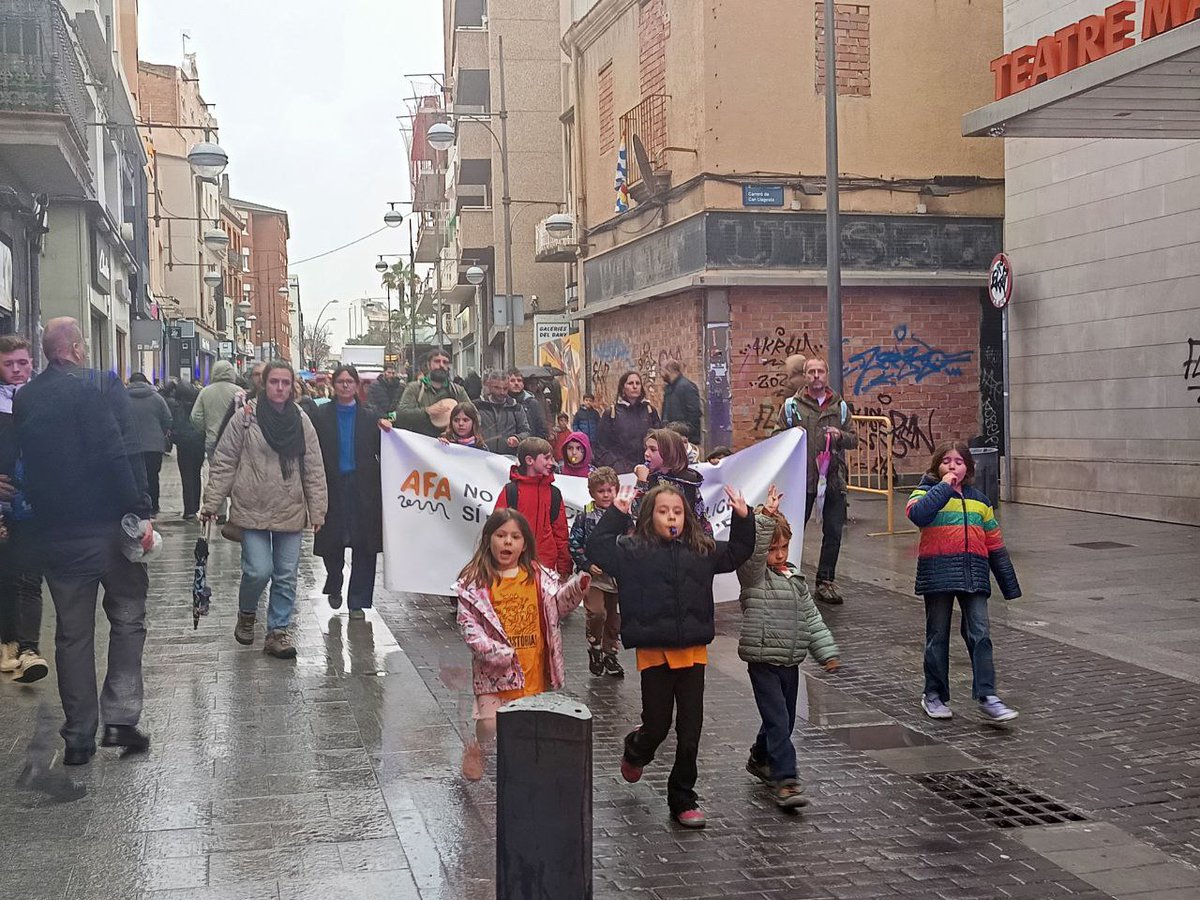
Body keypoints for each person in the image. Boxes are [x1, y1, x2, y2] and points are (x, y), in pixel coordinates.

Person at [14, 318, 153, 764]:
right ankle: (121, 720)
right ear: (75, 348)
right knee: (128, 618)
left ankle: (78, 737)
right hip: (107, 531)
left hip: (56, 535)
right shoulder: (98, 386)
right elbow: (120, 450)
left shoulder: (27, 396)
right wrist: (140, 511)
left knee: (72, 636)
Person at [587, 482, 755, 828]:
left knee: (690, 728)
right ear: (650, 516)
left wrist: (743, 516)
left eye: (677, 511)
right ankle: (637, 748)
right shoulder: (633, 550)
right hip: (655, 652)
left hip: (692, 651)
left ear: (687, 516)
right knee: (658, 725)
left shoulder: (701, 549)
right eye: (663, 511)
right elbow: (598, 548)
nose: (671, 517)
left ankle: (683, 796)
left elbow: (738, 550)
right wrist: (617, 514)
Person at [201, 361, 327, 659]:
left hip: (290, 508)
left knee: (286, 575)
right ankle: (247, 612)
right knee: (258, 570)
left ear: (292, 385)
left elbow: (313, 468)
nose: (280, 388)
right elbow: (224, 462)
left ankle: (277, 631)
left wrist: (318, 510)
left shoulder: (301, 420)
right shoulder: (245, 418)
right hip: (251, 508)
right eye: (274, 382)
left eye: (285, 382)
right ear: (264, 384)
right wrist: (211, 503)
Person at [455, 508, 590, 780]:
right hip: (493, 671)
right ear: (488, 540)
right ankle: (479, 747)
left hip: (531, 667)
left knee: (526, 724)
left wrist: (577, 588)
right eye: (501, 535)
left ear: (524, 543)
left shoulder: (538, 576)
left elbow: (558, 605)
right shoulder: (475, 583)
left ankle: (522, 770)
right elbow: (469, 626)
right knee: (490, 722)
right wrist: (493, 652)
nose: (507, 542)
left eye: (515, 537)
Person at [737, 485, 839, 809]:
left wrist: (827, 652)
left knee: (785, 720)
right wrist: (765, 516)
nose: (779, 554)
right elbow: (752, 557)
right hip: (763, 660)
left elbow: (811, 617)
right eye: (773, 548)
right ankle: (786, 780)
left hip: (790, 663)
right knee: (780, 722)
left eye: (784, 547)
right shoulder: (754, 577)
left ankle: (759, 756)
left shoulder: (794, 579)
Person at [906, 441, 1021, 724]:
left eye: (959, 461)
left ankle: (987, 694)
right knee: (938, 636)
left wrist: (1009, 584)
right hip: (939, 575)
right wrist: (944, 486)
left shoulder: (980, 501)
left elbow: (994, 544)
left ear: (968, 467)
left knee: (980, 634)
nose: (953, 466)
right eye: (946, 461)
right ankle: (933, 694)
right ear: (936, 466)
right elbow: (918, 515)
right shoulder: (925, 493)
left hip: (974, 575)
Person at [774, 355, 857, 606]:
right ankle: (787, 576)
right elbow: (776, 435)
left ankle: (825, 581)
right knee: (792, 531)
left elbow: (854, 439)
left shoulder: (840, 406)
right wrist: (791, 435)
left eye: (820, 371)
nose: (816, 376)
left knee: (833, 532)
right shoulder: (792, 406)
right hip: (802, 480)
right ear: (805, 375)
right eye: (811, 372)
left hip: (832, 479)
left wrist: (840, 435)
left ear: (826, 374)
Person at [313, 365, 382, 619]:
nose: (345, 385)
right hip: (331, 485)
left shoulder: (370, 416)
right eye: (341, 381)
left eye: (349, 381)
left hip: (363, 487)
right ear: (334, 384)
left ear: (356, 385)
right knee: (332, 540)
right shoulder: (321, 415)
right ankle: (334, 579)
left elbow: (384, 447)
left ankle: (357, 601)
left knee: (364, 543)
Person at [0, 335, 48, 683]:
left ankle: (28, 648)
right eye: (8, 364)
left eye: (22, 362)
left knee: (29, 576)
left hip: (33, 504)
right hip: (4, 503)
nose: (17, 370)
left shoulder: (44, 399)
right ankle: (8, 642)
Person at [568, 467, 623, 678]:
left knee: (613, 618)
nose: (606, 495)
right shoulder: (585, 516)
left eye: (610, 490)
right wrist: (586, 564)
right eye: (601, 491)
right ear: (592, 493)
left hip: (616, 577)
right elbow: (574, 543)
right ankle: (595, 646)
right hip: (594, 577)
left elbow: (631, 539)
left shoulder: (622, 515)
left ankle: (610, 652)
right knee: (597, 612)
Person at [493, 437, 572, 579]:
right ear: (530, 461)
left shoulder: (554, 493)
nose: (551, 463)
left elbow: (560, 532)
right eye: (547, 458)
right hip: (514, 566)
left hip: (546, 567)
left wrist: (564, 566)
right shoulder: (511, 491)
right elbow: (496, 530)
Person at [633, 428, 707, 532]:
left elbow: (701, 521)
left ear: (669, 452)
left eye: (653, 450)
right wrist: (641, 482)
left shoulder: (688, 482)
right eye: (646, 448)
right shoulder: (648, 479)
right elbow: (637, 516)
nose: (646, 453)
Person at [595, 370, 662, 474]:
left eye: (638, 383)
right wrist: (615, 465)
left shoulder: (650, 411)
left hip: (648, 468)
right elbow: (601, 446)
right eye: (630, 383)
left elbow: (660, 440)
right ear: (623, 387)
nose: (635, 386)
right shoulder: (611, 414)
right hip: (621, 471)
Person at [125, 373, 172, 516]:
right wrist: (161, 434)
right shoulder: (157, 398)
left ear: (129, 382)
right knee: (152, 476)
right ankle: (154, 507)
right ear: (146, 382)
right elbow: (168, 419)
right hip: (154, 446)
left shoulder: (122, 398)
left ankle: (136, 508)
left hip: (130, 446)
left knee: (133, 478)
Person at [394, 349, 470, 435]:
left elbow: (474, 416)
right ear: (429, 365)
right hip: (421, 443)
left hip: (450, 443)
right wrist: (427, 411)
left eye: (445, 362)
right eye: (437, 361)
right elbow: (401, 414)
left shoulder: (458, 390)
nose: (441, 365)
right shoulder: (414, 388)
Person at [168, 381, 206, 520]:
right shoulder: (199, 404)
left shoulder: (176, 406)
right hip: (198, 442)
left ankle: (189, 509)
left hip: (184, 445)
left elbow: (173, 424)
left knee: (186, 476)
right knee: (196, 474)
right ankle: (195, 506)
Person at [191, 359, 241, 460]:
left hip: (212, 438)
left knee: (215, 471)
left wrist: (206, 428)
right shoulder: (239, 392)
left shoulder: (205, 392)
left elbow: (195, 417)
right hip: (234, 440)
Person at [474, 369, 530, 453]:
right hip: (482, 456)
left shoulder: (516, 407)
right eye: (497, 388)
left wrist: (517, 438)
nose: (502, 392)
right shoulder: (477, 406)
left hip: (508, 457)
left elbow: (526, 431)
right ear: (489, 385)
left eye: (505, 388)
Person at [661, 360, 702, 445]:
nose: (661, 374)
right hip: (672, 438)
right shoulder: (669, 388)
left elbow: (694, 414)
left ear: (669, 370)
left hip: (686, 440)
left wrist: (686, 434)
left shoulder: (687, 387)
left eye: (662, 371)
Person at [506, 369, 547, 439]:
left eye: (519, 380)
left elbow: (540, 428)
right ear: (506, 383)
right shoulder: (503, 402)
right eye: (512, 381)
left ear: (523, 384)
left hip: (529, 445)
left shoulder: (532, 403)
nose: (516, 383)